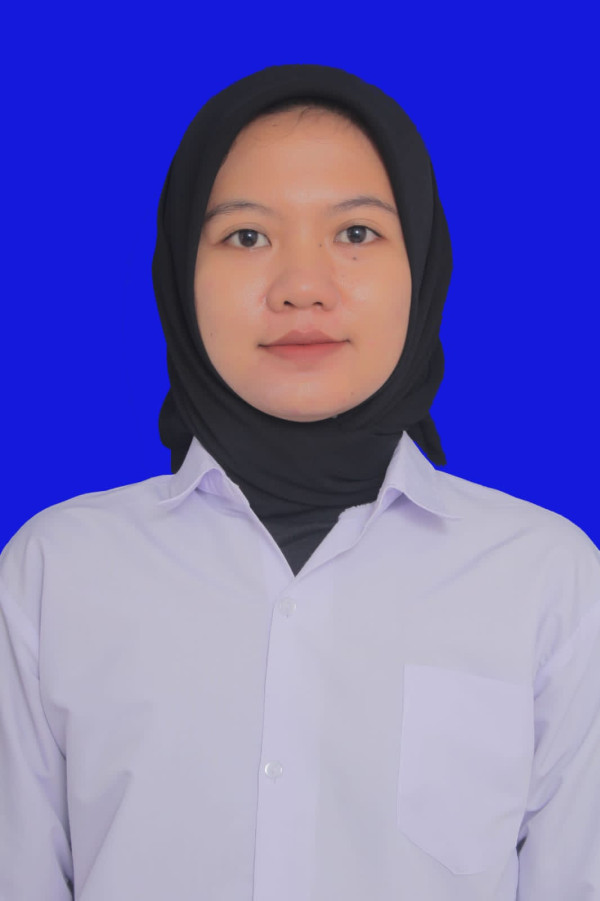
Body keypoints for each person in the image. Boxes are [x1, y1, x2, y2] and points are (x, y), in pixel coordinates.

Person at [1, 64, 599, 901]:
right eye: (247, 236)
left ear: (422, 266)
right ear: (180, 272)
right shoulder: (54, 572)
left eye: (356, 232)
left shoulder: (548, 579)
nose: (303, 289)